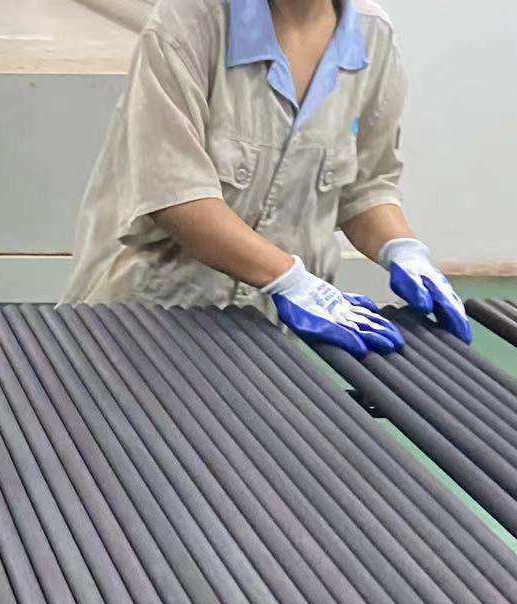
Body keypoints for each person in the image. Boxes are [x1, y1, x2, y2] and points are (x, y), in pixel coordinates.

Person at [65, 0, 470, 355]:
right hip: (148, 322)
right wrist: (291, 281)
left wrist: (402, 250)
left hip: (265, 340)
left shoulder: (372, 38)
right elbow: (177, 195)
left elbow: (366, 187)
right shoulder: (192, 22)